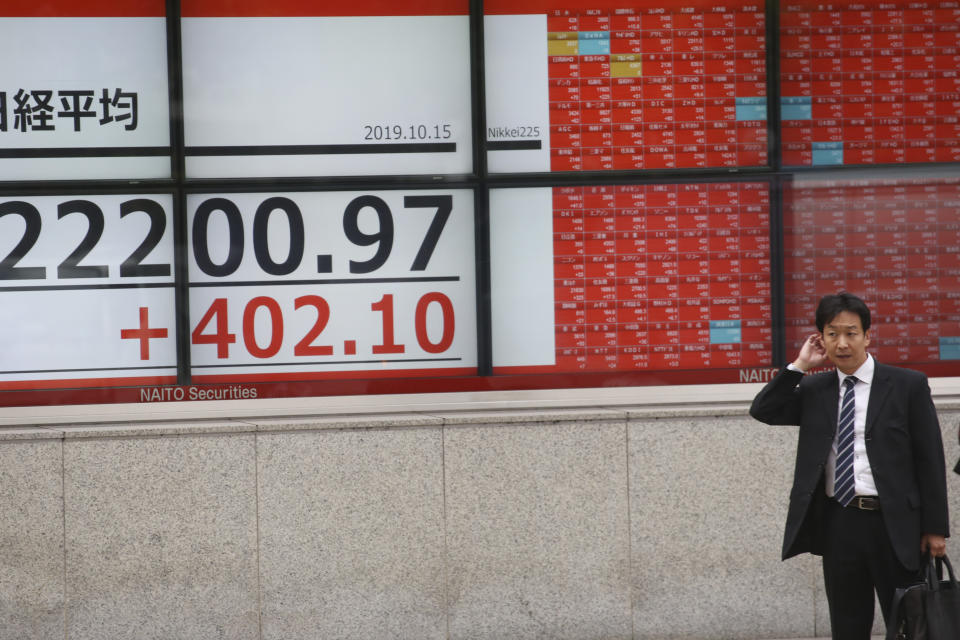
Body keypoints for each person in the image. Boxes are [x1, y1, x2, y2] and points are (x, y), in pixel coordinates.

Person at [750, 292, 949, 639]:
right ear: (821, 338)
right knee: (847, 624)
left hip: (896, 526)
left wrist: (935, 528)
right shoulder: (815, 389)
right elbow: (764, 410)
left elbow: (930, 459)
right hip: (840, 522)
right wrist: (800, 366)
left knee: (909, 624)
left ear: (867, 336)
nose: (842, 343)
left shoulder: (907, 385)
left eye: (851, 333)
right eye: (832, 333)